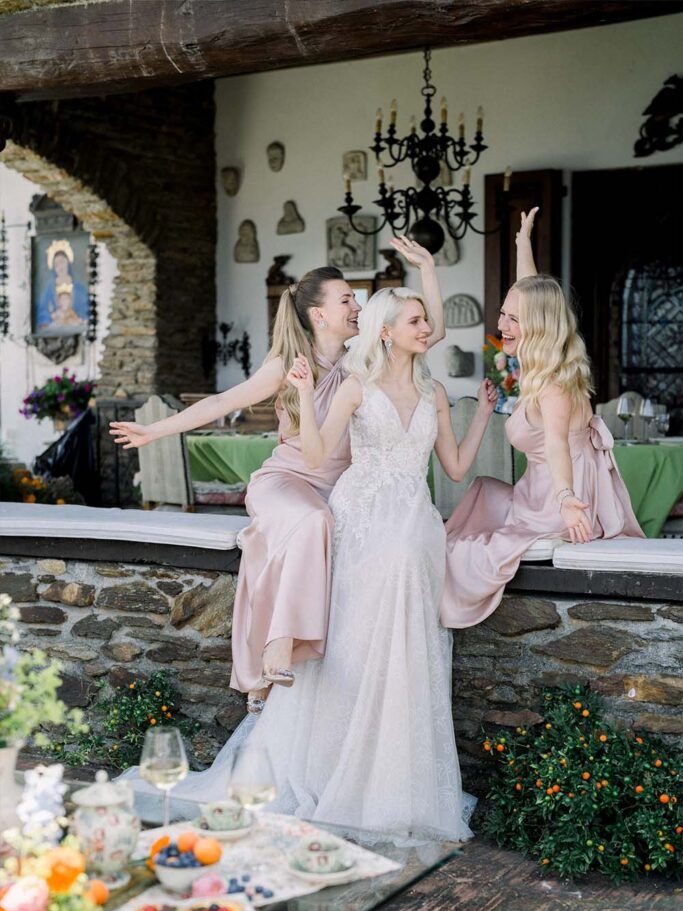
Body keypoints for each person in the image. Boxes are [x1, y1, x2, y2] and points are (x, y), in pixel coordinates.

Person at [110, 239, 446, 715]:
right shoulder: (287, 367)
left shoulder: (362, 364)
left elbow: (432, 333)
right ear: (319, 315)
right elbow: (221, 403)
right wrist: (154, 430)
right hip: (288, 481)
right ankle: (277, 645)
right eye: (347, 299)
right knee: (313, 522)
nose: (356, 305)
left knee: (345, 531)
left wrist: (428, 269)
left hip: (342, 487)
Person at [233, 286, 497, 840]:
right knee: (351, 647)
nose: (427, 329)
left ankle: (394, 783)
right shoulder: (356, 386)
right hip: (361, 522)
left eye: (426, 320)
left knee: (405, 649)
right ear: (387, 331)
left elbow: (453, 469)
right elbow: (313, 454)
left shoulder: (436, 392)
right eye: (416, 320)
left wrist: (484, 416)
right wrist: (305, 392)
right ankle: (330, 771)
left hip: (412, 522)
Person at [440, 209, 644, 629]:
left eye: (513, 319)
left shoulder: (551, 383)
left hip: (554, 502)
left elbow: (554, 443)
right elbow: (533, 294)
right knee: (480, 495)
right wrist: (521, 243)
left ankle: (437, 602)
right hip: (535, 492)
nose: (502, 325)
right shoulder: (542, 360)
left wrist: (568, 499)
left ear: (538, 326)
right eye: (503, 314)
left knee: (468, 542)